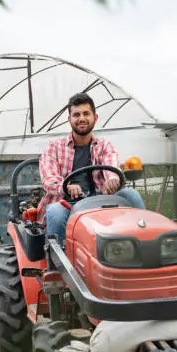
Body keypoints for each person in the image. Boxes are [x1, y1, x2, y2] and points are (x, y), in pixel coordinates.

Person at [38, 92, 145, 244]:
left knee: (131, 194)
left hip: (100, 203)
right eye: (76, 114)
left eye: (86, 113)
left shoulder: (104, 146)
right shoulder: (54, 147)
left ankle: (143, 240)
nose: (81, 118)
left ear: (95, 118)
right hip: (68, 204)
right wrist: (66, 187)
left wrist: (112, 180)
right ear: (69, 120)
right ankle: (60, 262)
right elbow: (49, 178)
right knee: (55, 212)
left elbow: (111, 166)